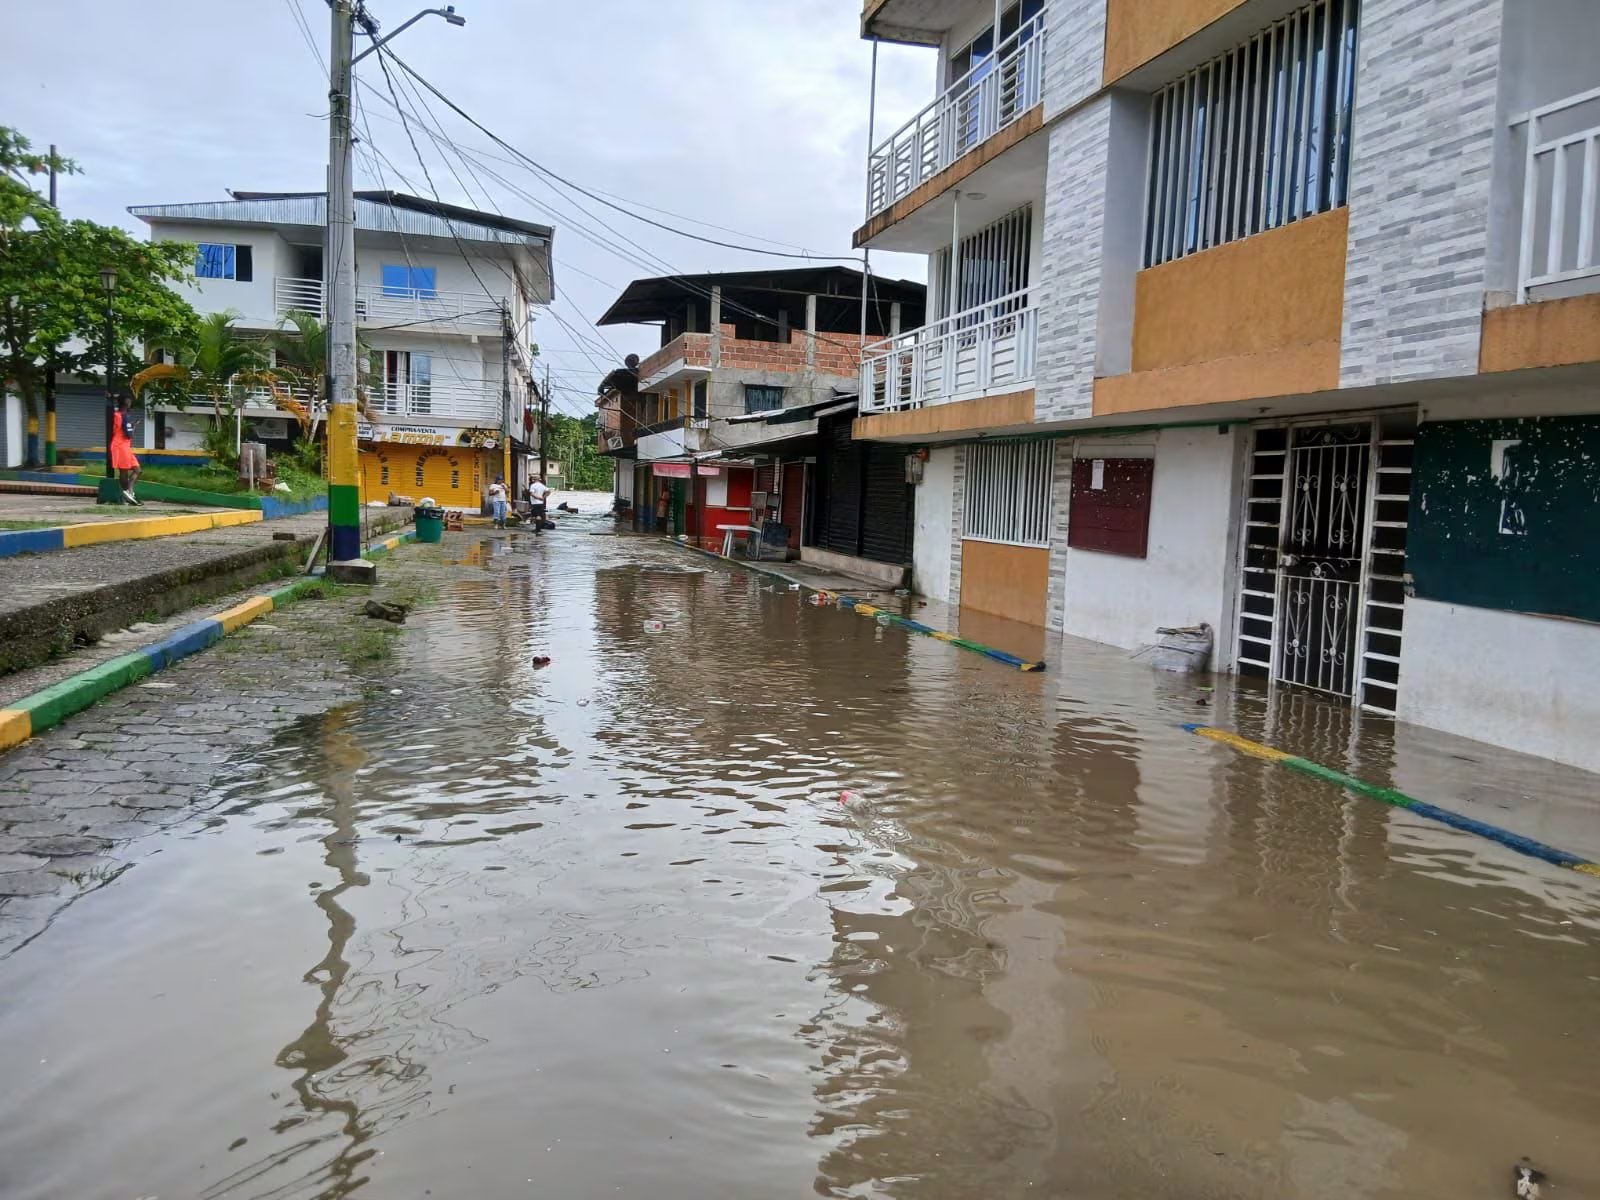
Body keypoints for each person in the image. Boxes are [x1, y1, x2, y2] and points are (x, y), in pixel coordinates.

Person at [110, 394, 142, 505]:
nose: (131, 403)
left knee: (138, 470)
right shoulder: (124, 416)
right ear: (127, 402)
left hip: (123, 446)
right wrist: (134, 427)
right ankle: (127, 494)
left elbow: (119, 429)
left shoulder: (117, 414)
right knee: (124, 471)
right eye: (130, 400)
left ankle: (129, 492)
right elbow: (129, 435)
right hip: (121, 446)